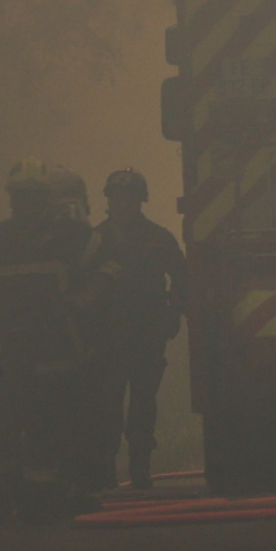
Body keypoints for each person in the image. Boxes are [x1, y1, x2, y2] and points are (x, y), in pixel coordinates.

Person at [0, 158, 95, 521]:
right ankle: (11, 494)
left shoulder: (74, 238)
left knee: (49, 428)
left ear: (46, 201)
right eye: (18, 198)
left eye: (32, 198)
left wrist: (84, 305)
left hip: (58, 354)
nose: (24, 206)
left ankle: (48, 500)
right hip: (10, 354)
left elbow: (106, 274)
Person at [80, 167, 187, 492]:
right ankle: (105, 471)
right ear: (109, 200)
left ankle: (140, 468)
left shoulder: (159, 238)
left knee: (142, 404)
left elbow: (181, 277)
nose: (122, 203)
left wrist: (173, 313)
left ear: (140, 200)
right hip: (107, 337)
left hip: (146, 336)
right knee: (107, 406)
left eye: (128, 197)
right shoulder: (94, 240)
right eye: (116, 196)